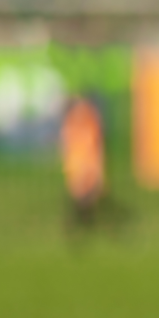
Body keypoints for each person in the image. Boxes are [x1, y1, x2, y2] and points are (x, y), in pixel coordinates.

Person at [61, 96, 108, 234]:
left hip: (87, 163)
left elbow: (96, 145)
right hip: (78, 163)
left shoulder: (90, 123)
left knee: (89, 193)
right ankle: (80, 223)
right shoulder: (72, 125)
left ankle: (82, 223)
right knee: (82, 194)